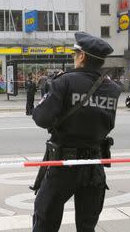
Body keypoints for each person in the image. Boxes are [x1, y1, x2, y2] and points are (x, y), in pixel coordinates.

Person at [31, 32, 121, 232]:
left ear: (82, 56)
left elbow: (42, 118)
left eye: (74, 54)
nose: (73, 57)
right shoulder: (112, 88)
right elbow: (108, 124)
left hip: (64, 165)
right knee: (87, 226)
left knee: (45, 221)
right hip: (94, 167)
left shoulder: (64, 81)